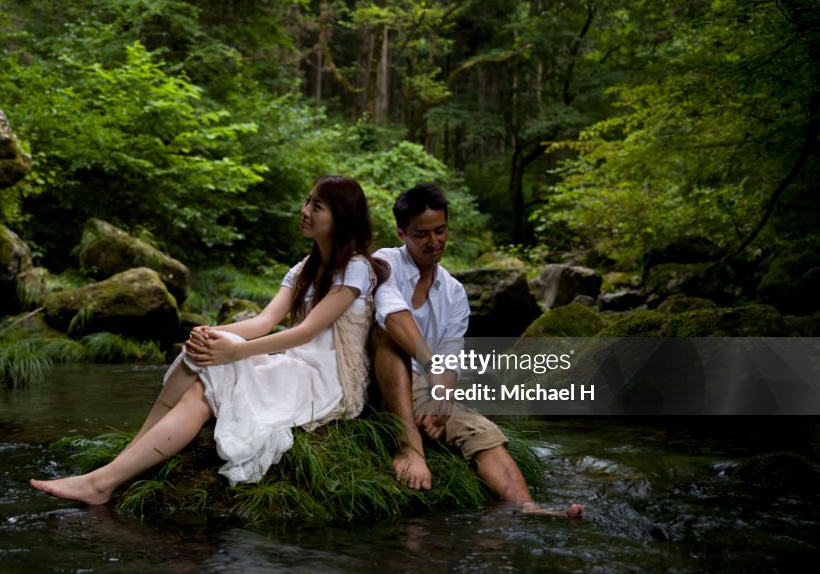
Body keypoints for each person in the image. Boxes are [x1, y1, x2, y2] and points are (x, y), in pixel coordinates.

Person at [31, 175, 389, 505]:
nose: (304, 211)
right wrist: (215, 335)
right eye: (307, 201)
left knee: (203, 393)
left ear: (341, 218)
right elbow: (265, 321)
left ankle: (101, 483)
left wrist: (236, 351)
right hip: (292, 362)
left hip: (324, 379)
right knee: (197, 356)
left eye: (317, 207)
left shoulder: (355, 267)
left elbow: (307, 331)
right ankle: (119, 465)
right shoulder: (302, 269)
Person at [373, 183, 583, 518]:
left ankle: (529, 508)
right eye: (421, 234)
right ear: (401, 233)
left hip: (424, 385)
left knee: (481, 429)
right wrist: (433, 373)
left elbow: (451, 356)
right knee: (392, 338)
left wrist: (441, 397)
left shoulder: (454, 292)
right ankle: (409, 447)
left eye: (440, 231)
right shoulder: (384, 263)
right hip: (377, 377)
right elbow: (393, 317)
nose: (434, 242)